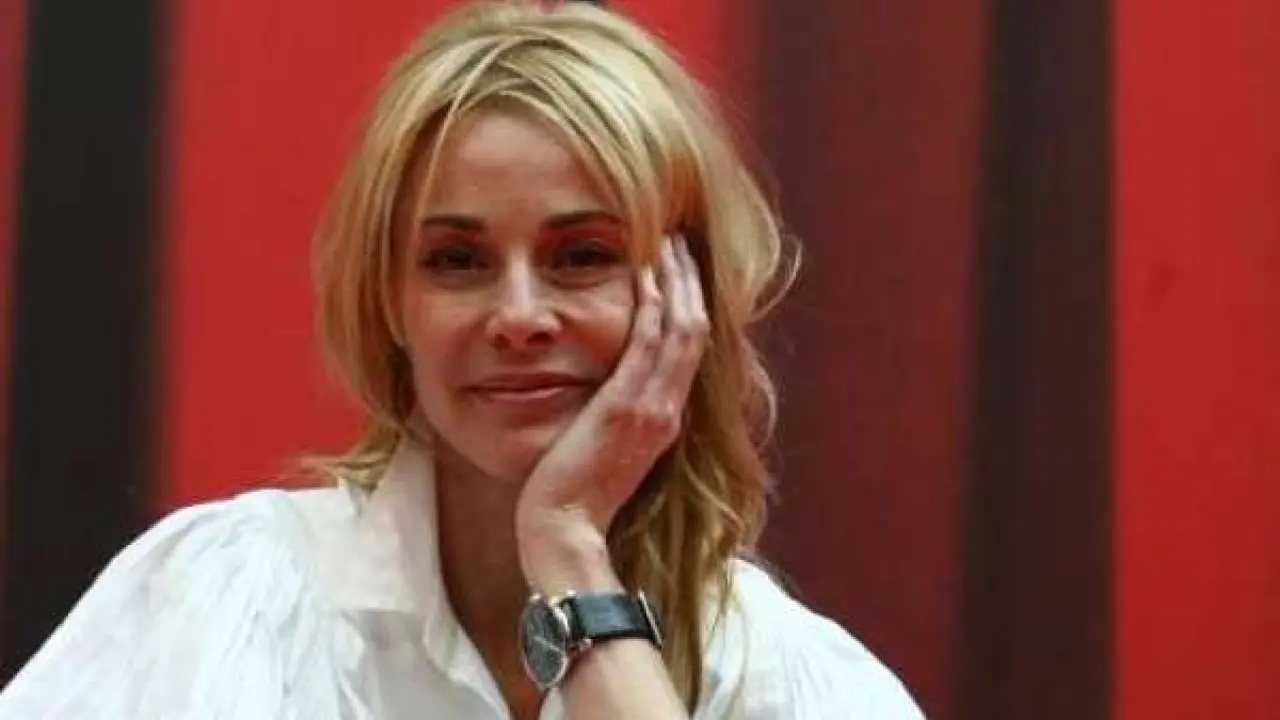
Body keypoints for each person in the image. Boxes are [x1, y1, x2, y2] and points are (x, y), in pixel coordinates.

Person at [0, 1, 924, 718]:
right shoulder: (224, 601)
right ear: (391, 304)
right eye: (457, 261)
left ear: (689, 297)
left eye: (582, 256)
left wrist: (568, 546)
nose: (518, 316)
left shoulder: (793, 678)